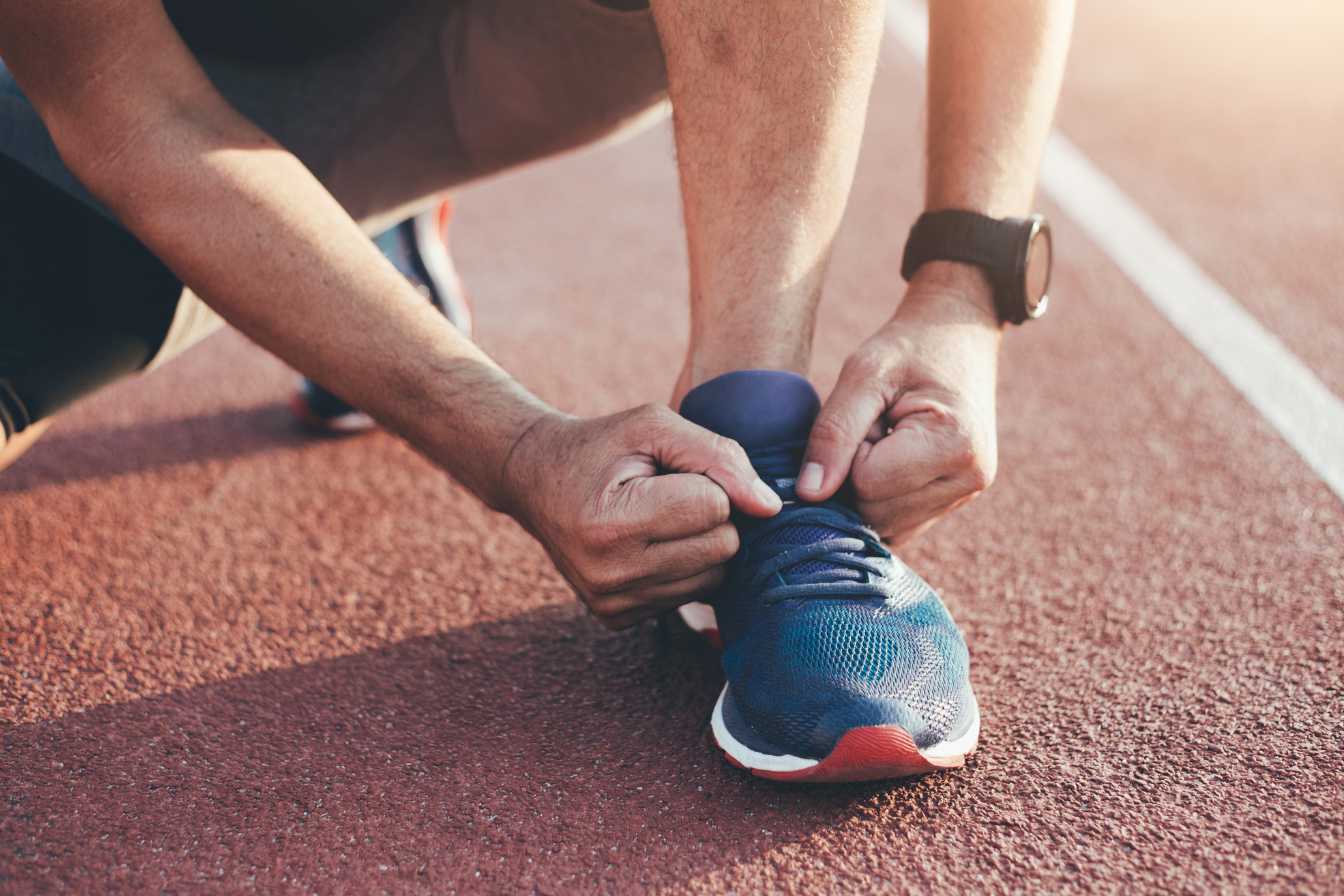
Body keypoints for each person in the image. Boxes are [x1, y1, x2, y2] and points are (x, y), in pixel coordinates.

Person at [0, 0, 1073, 782]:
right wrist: (513, 447)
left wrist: (965, 286)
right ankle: (353, 254)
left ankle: (758, 450)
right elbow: (122, 106)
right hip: (122, 105)